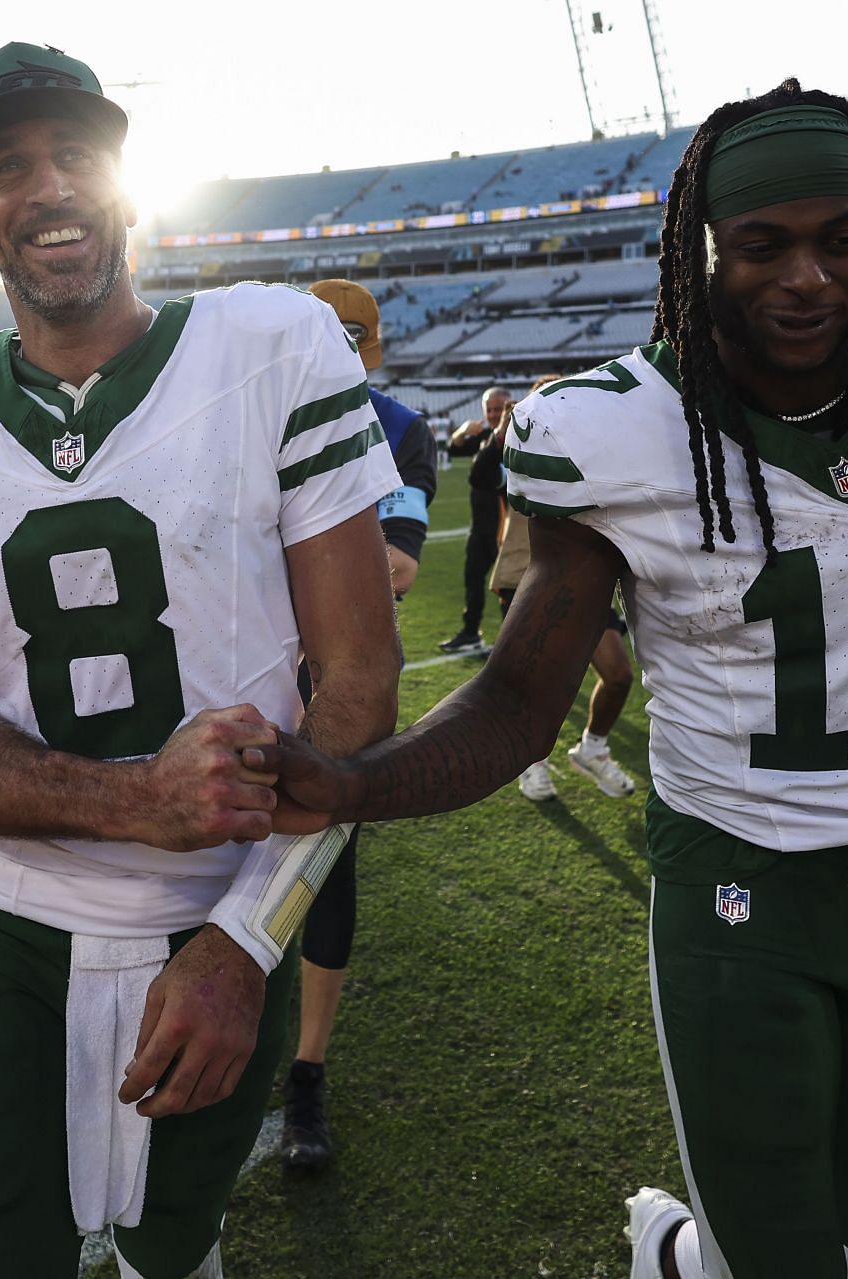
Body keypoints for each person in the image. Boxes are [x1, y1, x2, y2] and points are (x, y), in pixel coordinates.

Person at [268, 81, 848, 1279]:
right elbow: (524, 699)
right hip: (743, 882)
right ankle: (674, 1246)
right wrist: (350, 780)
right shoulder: (620, 431)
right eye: (764, 244)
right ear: (700, 247)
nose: (807, 277)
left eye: (842, 239)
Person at [0, 43, 401, 1279]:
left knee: (173, 1247)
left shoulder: (276, 347)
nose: (49, 188)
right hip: (9, 909)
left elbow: (358, 690)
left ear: (129, 185)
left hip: (217, 910)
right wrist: (133, 800)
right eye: (8, 168)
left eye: (78, 156)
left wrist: (249, 941)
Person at [275, 279, 437, 1175]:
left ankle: (307, 1071)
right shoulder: (256, 414)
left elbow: (401, 567)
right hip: (241, 666)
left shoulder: (400, 428)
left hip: (338, 673)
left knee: (322, 867)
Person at [478, 379, 639, 803]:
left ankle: (592, 749)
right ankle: (531, 764)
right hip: (526, 577)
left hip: (586, 574)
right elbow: (482, 477)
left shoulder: (589, 447)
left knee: (619, 675)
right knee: (537, 683)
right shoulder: (519, 446)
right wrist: (501, 432)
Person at [436, 386, 510, 654]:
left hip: (506, 527)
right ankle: (470, 633)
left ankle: (509, 644)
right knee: (473, 579)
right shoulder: (484, 437)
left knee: (508, 587)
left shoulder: (516, 438)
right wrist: (462, 430)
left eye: (498, 408)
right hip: (480, 525)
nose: (493, 414)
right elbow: (453, 449)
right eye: (489, 409)